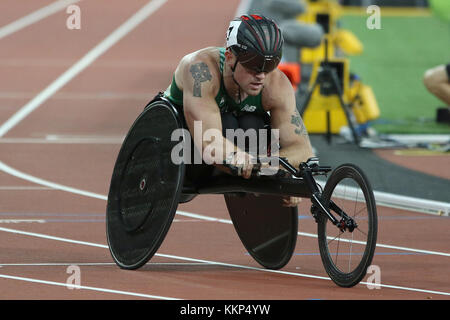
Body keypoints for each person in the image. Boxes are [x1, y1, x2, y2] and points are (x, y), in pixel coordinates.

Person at [164, 14, 314, 206]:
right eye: (253, 65)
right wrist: (243, 158)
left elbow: (301, 149)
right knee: (227, 122)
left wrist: (271, 166)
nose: (261, 75)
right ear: (229, 58)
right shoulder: (200, 71)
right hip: (181, 145)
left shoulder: (276, 84)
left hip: (235, 148)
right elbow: (210, 142)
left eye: (269, 65)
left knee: (253, 124)